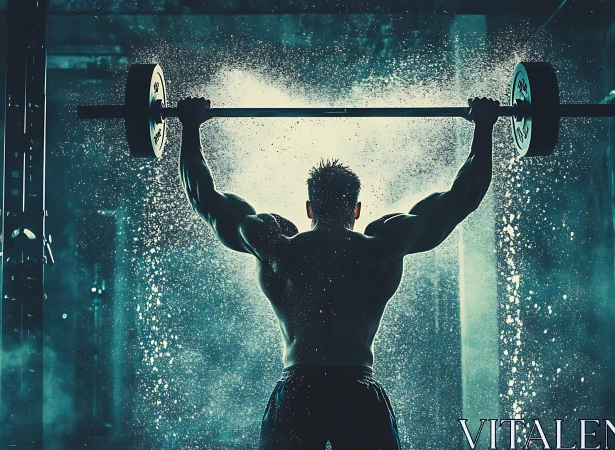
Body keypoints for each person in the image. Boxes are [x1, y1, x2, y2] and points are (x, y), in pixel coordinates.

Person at [177, 96, 499, 450]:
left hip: (299, 391)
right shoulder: (382, 246)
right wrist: (484, 127)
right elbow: (462, 198)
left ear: (309, 207)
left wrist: (189, 126)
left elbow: (203, 197)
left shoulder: (277, 247)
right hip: (356, 393)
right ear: (357, 208)